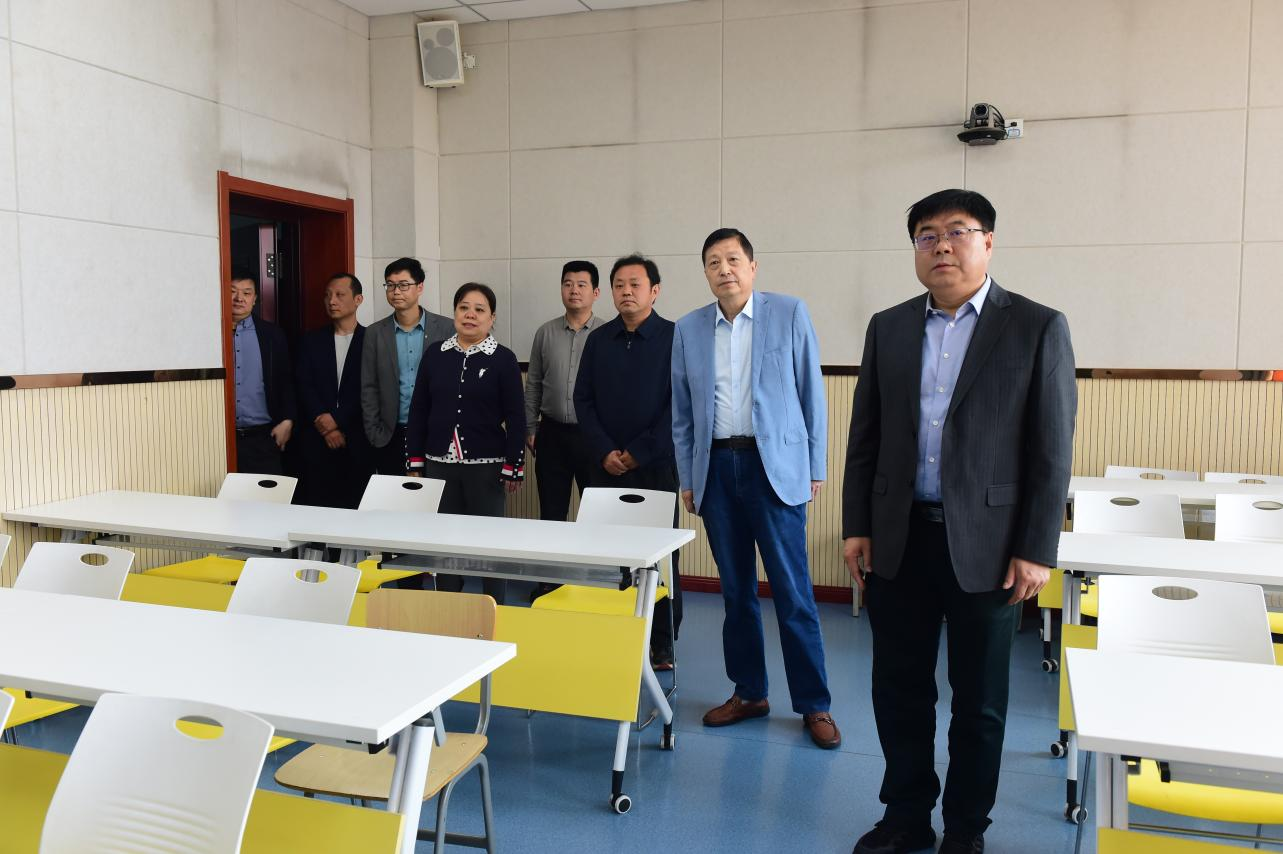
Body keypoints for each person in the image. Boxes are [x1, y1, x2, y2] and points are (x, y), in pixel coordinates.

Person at [842, 189, 1076, 854]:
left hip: (991, 546)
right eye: (925, 235)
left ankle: (966, 828)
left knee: (979, 701)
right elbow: (865, 434)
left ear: (988, 242)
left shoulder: (1036, 326)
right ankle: (905, 815)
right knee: (898, 688)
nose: (940, 245)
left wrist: (1037, 547)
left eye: (956, 231)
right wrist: (857, 523)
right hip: (899, 536)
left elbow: (1051, 448)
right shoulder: (888, 326)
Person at [670, 228, 838, 749]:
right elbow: (682, 412)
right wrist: (688, 478)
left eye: (733, 259)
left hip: (775, 469)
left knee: (793, 591)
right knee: (736, 592)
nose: (724, 269)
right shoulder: (688, 328)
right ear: (705, 272)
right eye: (713, 262)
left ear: (753, 266)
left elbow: (811, 393)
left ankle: (814, 703)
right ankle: (749, 693)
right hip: (717, 468)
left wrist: (814, 466)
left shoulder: (788, 313)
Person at [574, 255, 682, 670]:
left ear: (655, 291)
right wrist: (605, 450)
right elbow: (583, 399)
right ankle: (612, 630)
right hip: (604, 467)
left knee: (659, 556)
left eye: (635, 284)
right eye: (619, 284)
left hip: (655, 466)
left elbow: (680, 405)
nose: (626, 292)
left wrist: (640, 451)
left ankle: (662, 641)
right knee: (607, 553)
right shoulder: (599, 340)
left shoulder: (674, 338)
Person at [405, 282, 525, 605]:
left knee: (489, 542)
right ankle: (449, 604)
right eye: (464, 308)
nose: (470, 315)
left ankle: (495, 606)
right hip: (439, 464)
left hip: (487, 467)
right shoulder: (435, 355)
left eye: (479, 309)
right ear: (455, 312)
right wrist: (414, 460)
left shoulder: (503, 359)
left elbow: (516, 417)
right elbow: (419, 409)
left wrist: (513, 464)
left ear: (492, 318)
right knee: (446, 541)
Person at [524, 261, 604, 600]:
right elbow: (534, 384)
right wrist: (530, 427)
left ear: (595, 292)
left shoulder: (607, 334)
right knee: (552, 512)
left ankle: (593, 583)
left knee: (596, 513)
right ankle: (550, 582)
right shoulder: (545, 333)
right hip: (552, 434)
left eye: (581, 284)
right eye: (568, 283)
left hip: (594, 437)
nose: (574, 290)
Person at [361, 258, 454, 476]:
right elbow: (368, 386)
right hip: (391, 433)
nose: (396, 291)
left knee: (435, 493)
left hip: (436, 431)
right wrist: (374, 432)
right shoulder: (375, 333)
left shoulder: (447, 328)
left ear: (419, 287)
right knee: (396, 493)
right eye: (390, 285)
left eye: (403, 285)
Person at [295, 273, 372, 508]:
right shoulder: (311, 340)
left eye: (340, 295)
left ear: (358, 299)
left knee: (357, 507)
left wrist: (337, 420)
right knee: (317, 506)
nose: (332, 301)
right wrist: (325, 423)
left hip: (358, 438)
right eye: (328, 295)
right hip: (317, 438)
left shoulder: (372, 339)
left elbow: (370, 389)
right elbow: (304, 384)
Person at [229, 270, 294, 475]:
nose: (239, 298)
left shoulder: (272, 335)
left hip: (263, 437)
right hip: (219, 435)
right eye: (232, 291)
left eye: (246, 293)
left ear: (255, 298)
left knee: (267, 492)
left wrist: (287, 420)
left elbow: (286, 380)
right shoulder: (210, 333)